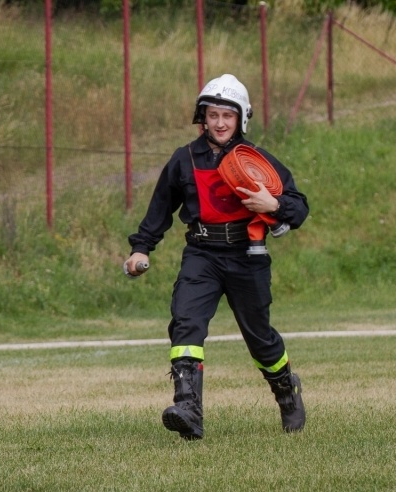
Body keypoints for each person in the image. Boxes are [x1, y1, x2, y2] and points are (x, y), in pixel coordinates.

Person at [125, 74, 310, 439]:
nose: (220, 123)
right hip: (202, 253)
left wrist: (272, 204)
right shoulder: (183, 160)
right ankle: (188, 409)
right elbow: (160, 208)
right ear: (203, 118)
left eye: (227, 115)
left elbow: (299, 207)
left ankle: (287, 390)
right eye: (212, 115)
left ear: (241, 118)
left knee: (260, 339)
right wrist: (140, 248)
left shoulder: (257, 160)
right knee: (186, 322)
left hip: (248, 256)